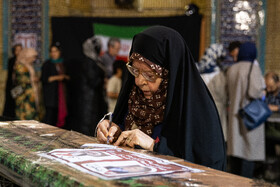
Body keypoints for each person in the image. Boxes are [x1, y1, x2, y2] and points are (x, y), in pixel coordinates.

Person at [96, 26, 226, 171]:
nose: (139, 81)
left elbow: (207, 166)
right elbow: (122, 124)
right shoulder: (135, 96)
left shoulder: (196, 112)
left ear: (169, 75)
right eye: (135, 70)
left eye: (149, 75)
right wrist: (111, 128)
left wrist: (154, 146)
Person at [226, 42, 265, 178]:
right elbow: (255, 93)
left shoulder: (231, 69)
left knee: (236, 154)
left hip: (234, 116)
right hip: (250, 117)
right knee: (249, 153)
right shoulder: (253, 68)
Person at [77, 36, 107, 136]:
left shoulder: (94, 61)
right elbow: (93, 81)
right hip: (88, 100)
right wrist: (102, 78)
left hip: (93, 99)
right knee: (87, 124)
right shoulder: (88, 62)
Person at [41, 42, 70, 127]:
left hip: (62, 98)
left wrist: (64, 77)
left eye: (55, 51)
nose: (53, 54)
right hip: (51, 97)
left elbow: (69, 77)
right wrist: (58, 77)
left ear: (59, 52)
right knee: (50, 119)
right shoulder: (47, 64)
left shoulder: (63, 63)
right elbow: (44, 79)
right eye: (51, 52)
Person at [13, 48, 40, 120]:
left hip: (30, 94)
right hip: (23, 96)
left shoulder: (29, 65)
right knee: (25, 115)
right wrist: (32, 79)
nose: (34, 59)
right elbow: (20, 79)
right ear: (27, 56)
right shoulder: (20, 66)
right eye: (33, 57)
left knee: (32, 115)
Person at [2, 43, 22, 119]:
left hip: (20, 86)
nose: (19, 52)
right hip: (12, 86)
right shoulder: (12, 60)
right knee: (10, 104)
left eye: (21, 50)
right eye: (17, 50)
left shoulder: (23, 61)